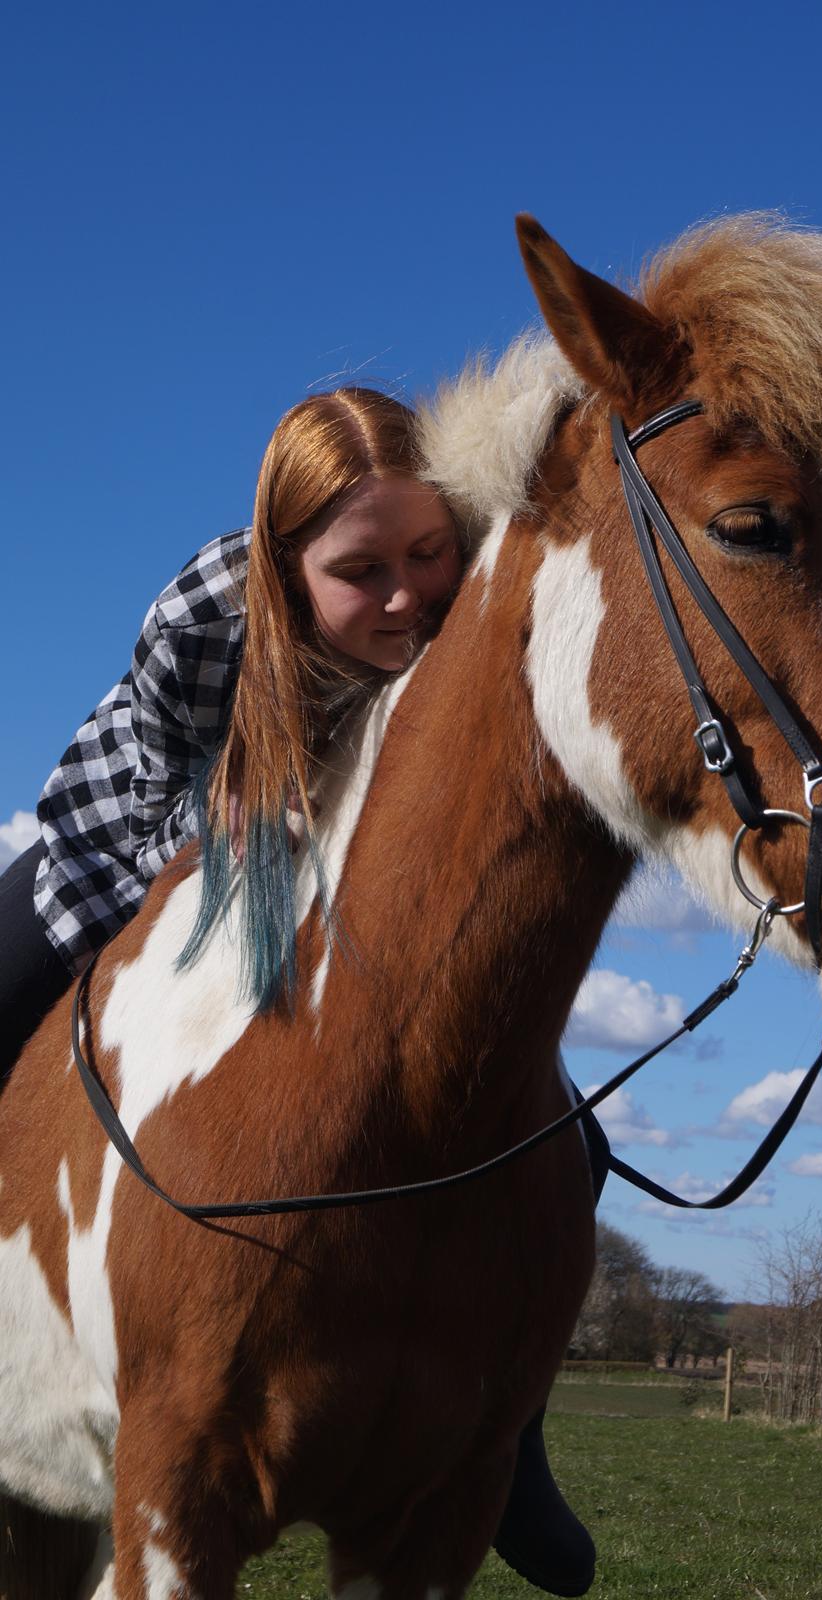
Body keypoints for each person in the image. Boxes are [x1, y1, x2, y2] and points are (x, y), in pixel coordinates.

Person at [0, 385, 601, 1597]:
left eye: (426, 553)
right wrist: (226, 829)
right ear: (286, 573)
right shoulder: (207, 614)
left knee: (563, 1135)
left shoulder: (464, 612)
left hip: (320, 890)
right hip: (125, 855)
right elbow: (162, 804)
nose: (406, 595)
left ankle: (508, 1435)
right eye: (359, 571)